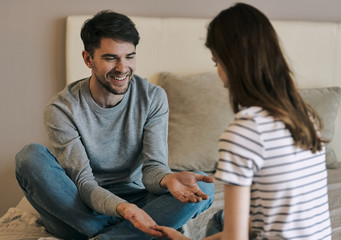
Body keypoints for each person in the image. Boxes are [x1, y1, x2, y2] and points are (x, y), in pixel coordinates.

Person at [15, 10, 215, 240]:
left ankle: (107, 236)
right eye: (111, 58)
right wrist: (124, 210)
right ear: (88, 59)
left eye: (129, 56)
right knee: (29, 156)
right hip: (81, 206)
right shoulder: (62, 108)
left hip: (138, 200)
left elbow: (152, 169)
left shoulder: (153, 97)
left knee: (205, 189)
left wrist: (167, 179)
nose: (122, 68)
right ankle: (127, 235)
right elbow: (84, 183)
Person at [155, 3, 332, 240]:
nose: (218, 73)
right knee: (224, 219)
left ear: (231, 61)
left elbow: (235, 238)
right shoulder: (304, 117)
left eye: (216, 62)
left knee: (224, 222)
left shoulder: (247, 129)